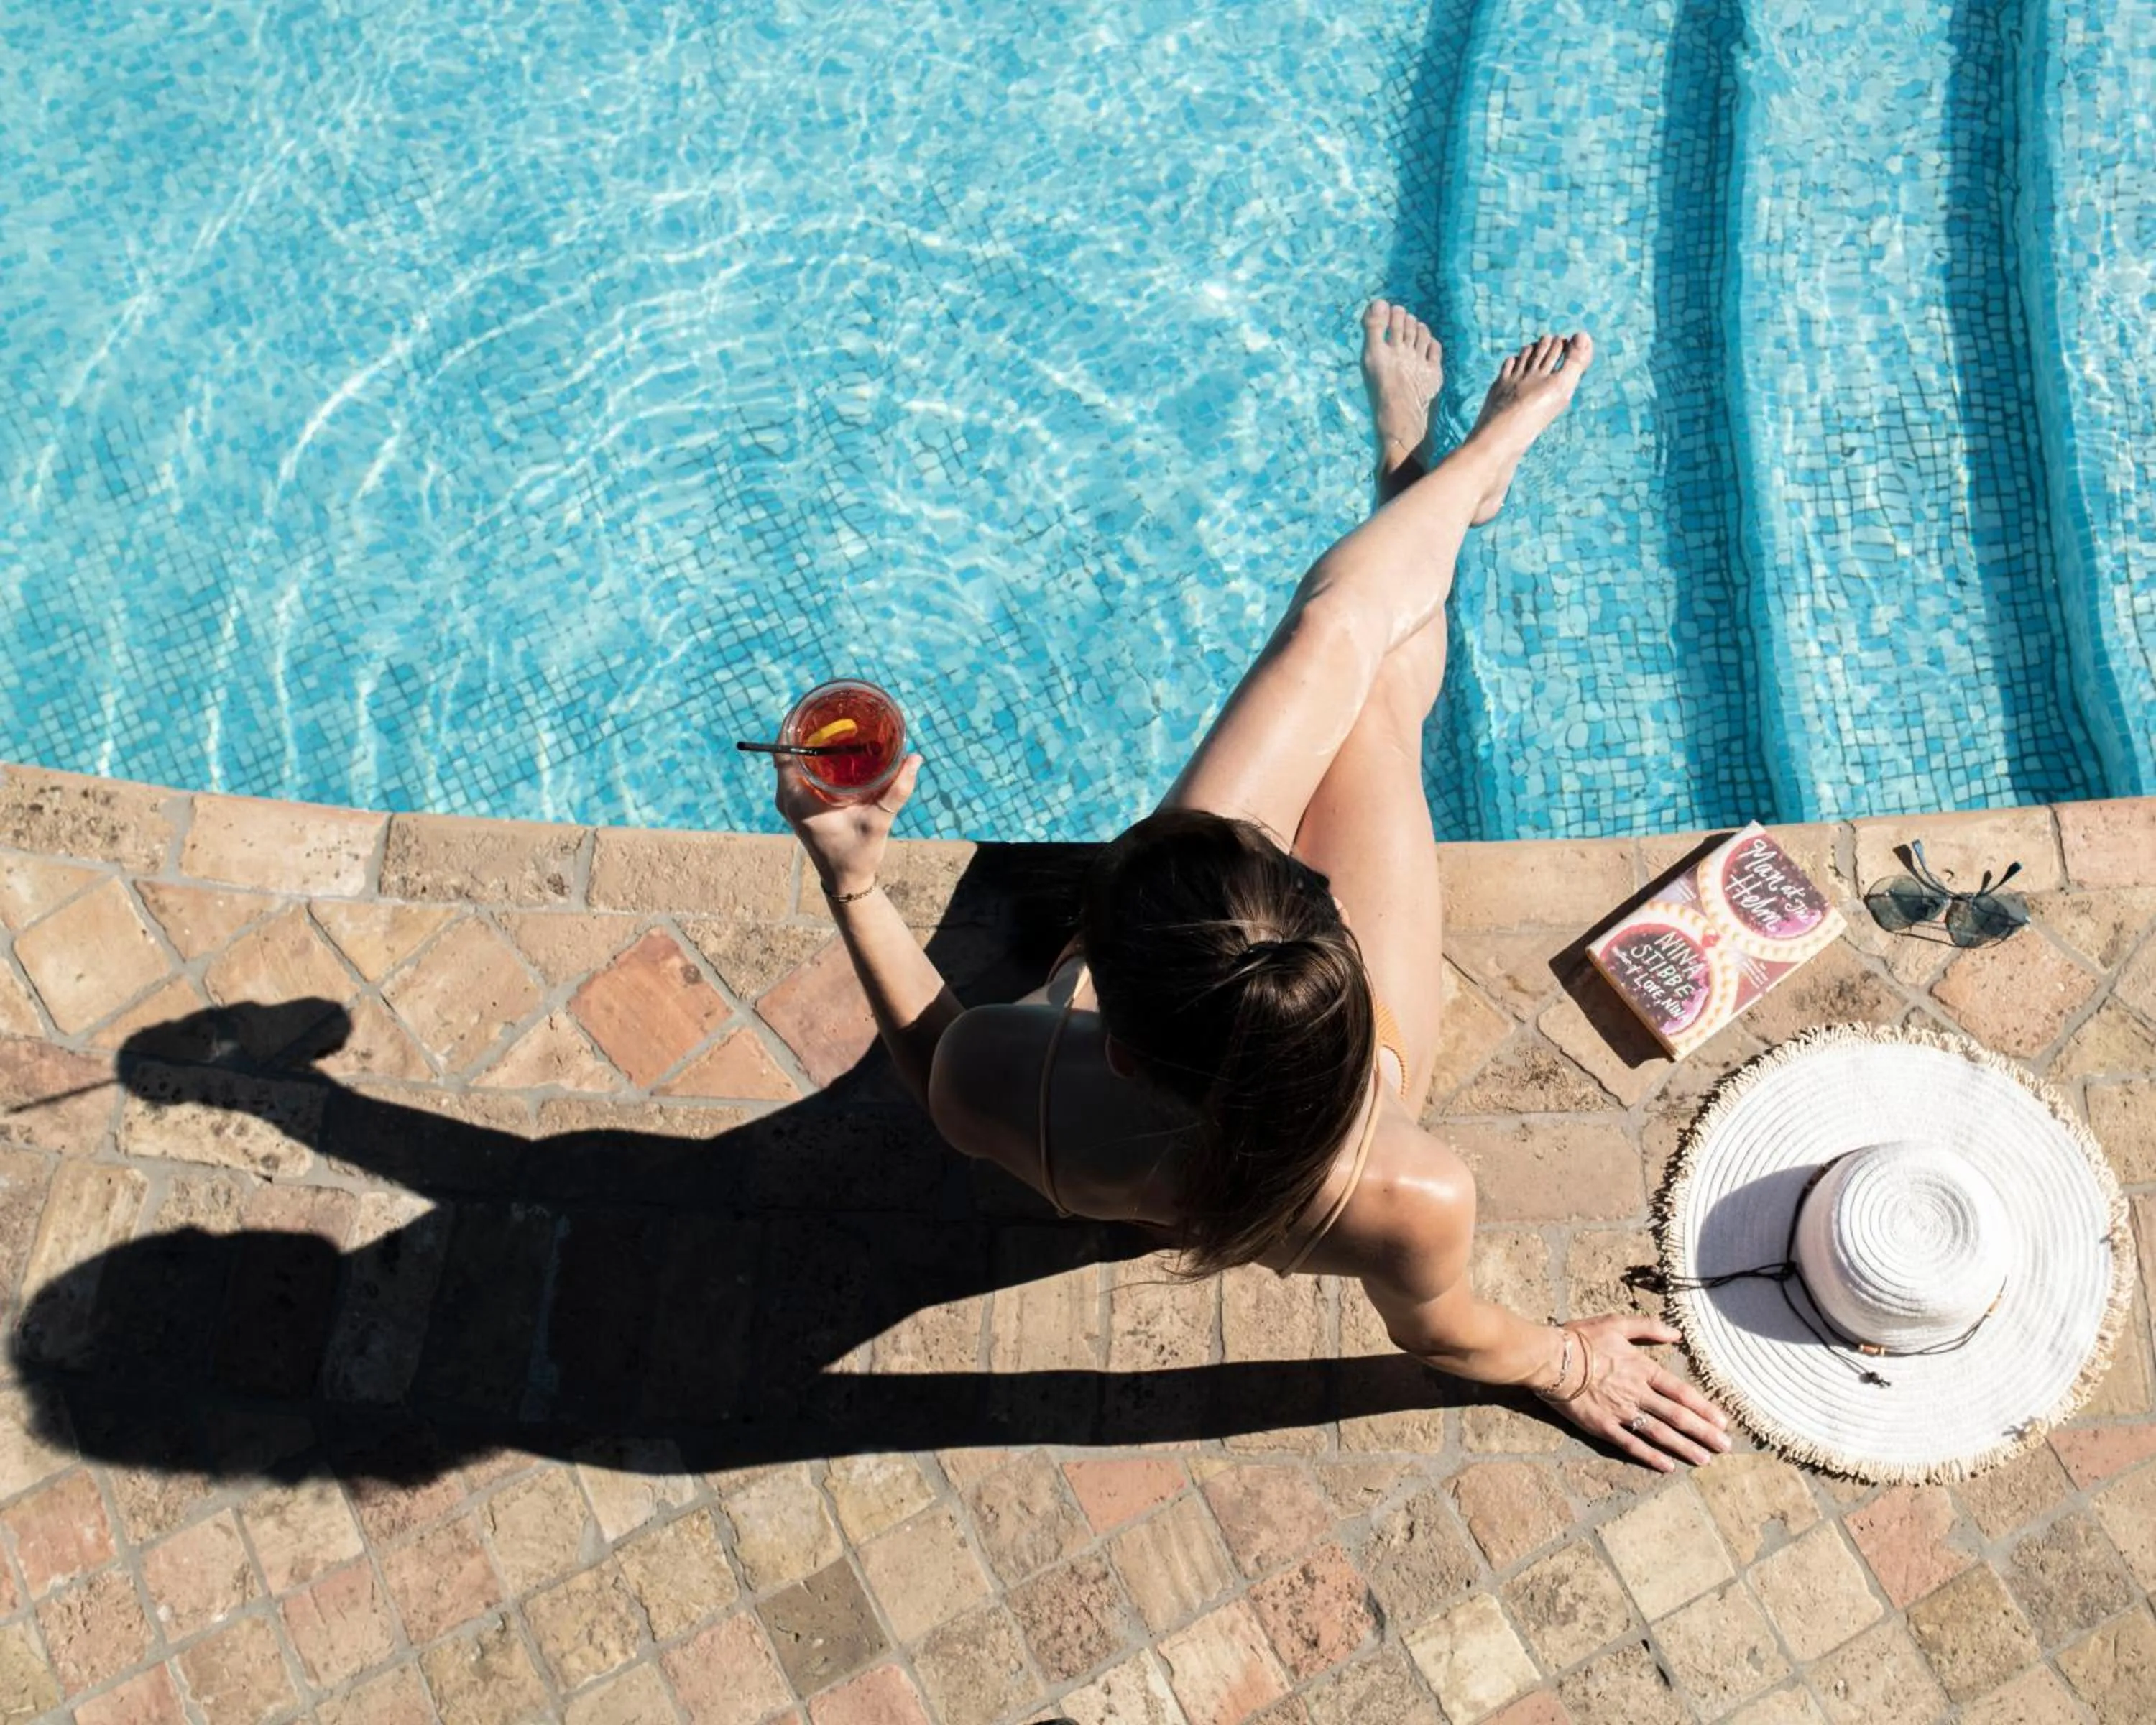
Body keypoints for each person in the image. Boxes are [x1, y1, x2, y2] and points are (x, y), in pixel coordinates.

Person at [773, 303, 1731, 1471]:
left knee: (1332, 636)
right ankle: (1442, 482)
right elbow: (1452, 1334)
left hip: (1193, 1056)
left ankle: (1444, 490)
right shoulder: (1404, 1188)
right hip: (1344, 1061)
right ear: (1322, 928)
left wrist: (857, 887)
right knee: (1366, 695)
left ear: (1108, 1028)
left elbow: (932, 1070)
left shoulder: (1012, 1082)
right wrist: (1570, 1363)